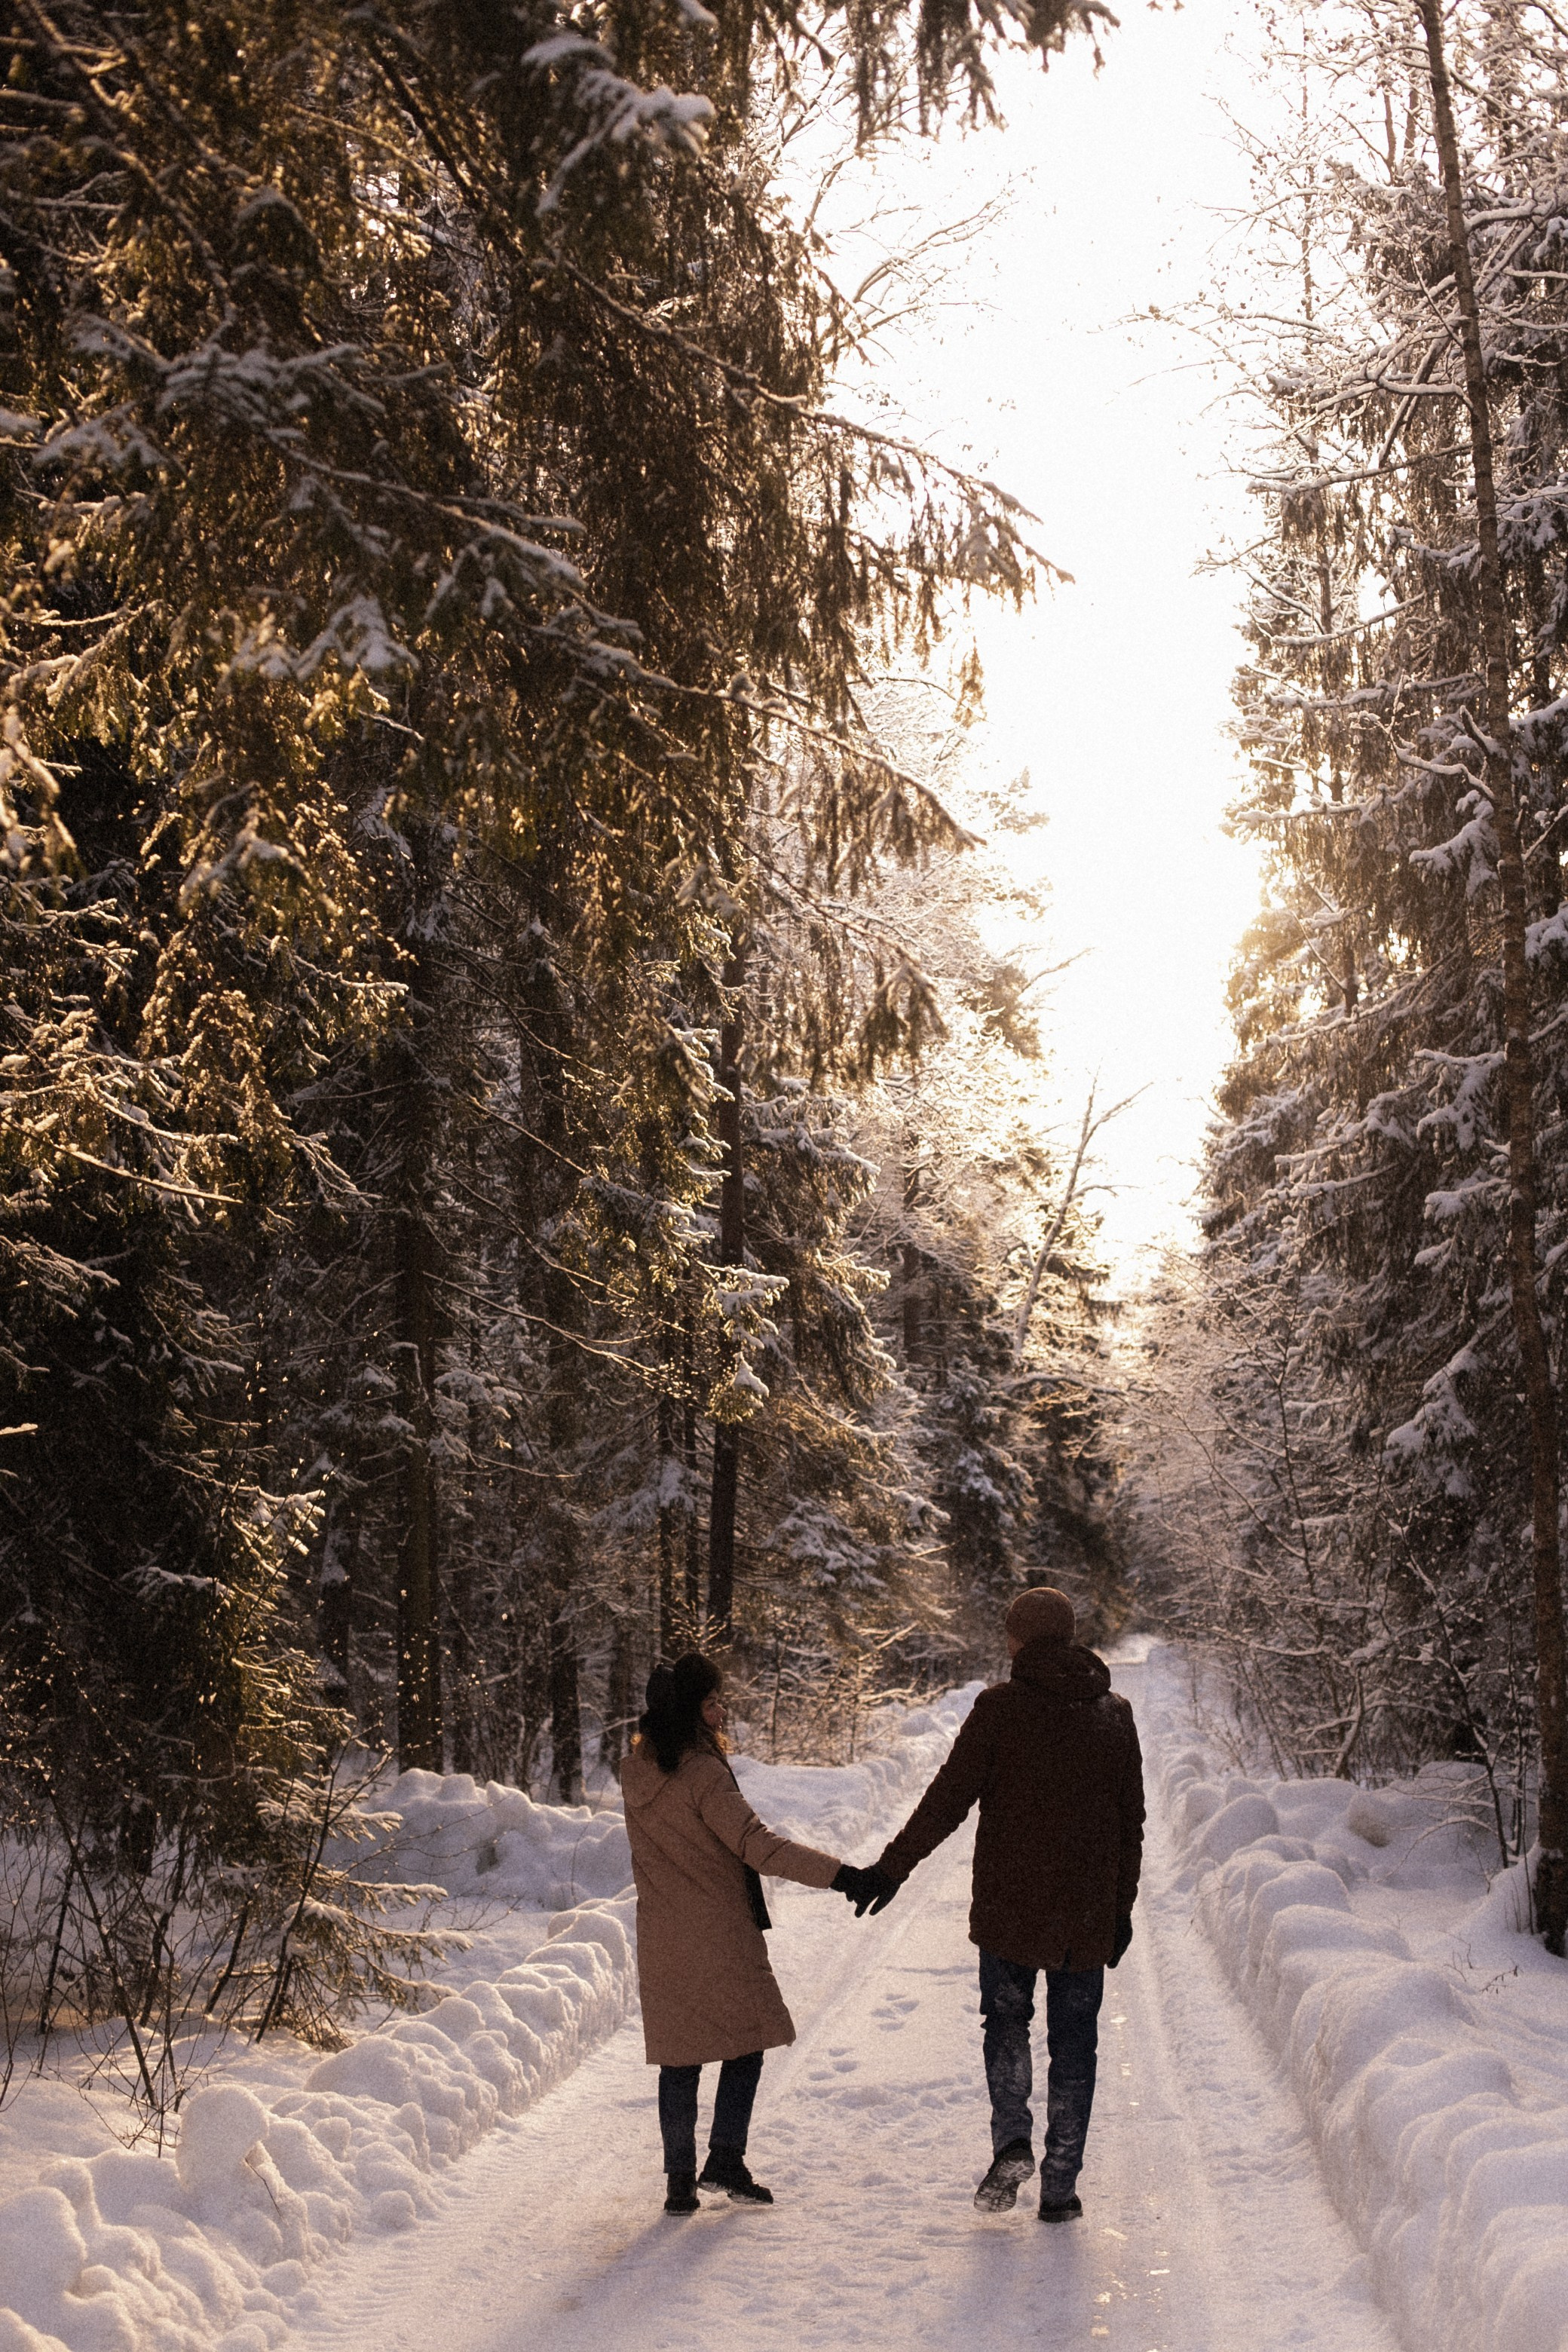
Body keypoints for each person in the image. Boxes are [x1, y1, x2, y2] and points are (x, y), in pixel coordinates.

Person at [856, 1587, 1144, 2222]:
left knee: (1007, 2024)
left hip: (1011, 1913)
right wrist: (1120, 1909)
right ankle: (1060, 2187)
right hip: (1086, 1916)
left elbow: (946, 1801)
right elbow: (1131, 1825)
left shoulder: (1000, 1709)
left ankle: (1012, 2138)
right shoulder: (1112, 1714)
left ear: (1020, 1639)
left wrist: (891, 1869)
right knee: (1076, 2046)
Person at [620, 1651, 880, 2214]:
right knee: (748, 2043)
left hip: (663, 1934)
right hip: (717, 1931)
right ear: (691, 1711)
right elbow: (759, 1847)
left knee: (680, 2059)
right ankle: (726, 2158)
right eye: (712, 1703)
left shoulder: (634, 1769)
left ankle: (679, 2183)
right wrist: (842, 1876)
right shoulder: (703, 1774)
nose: (721, 1713)